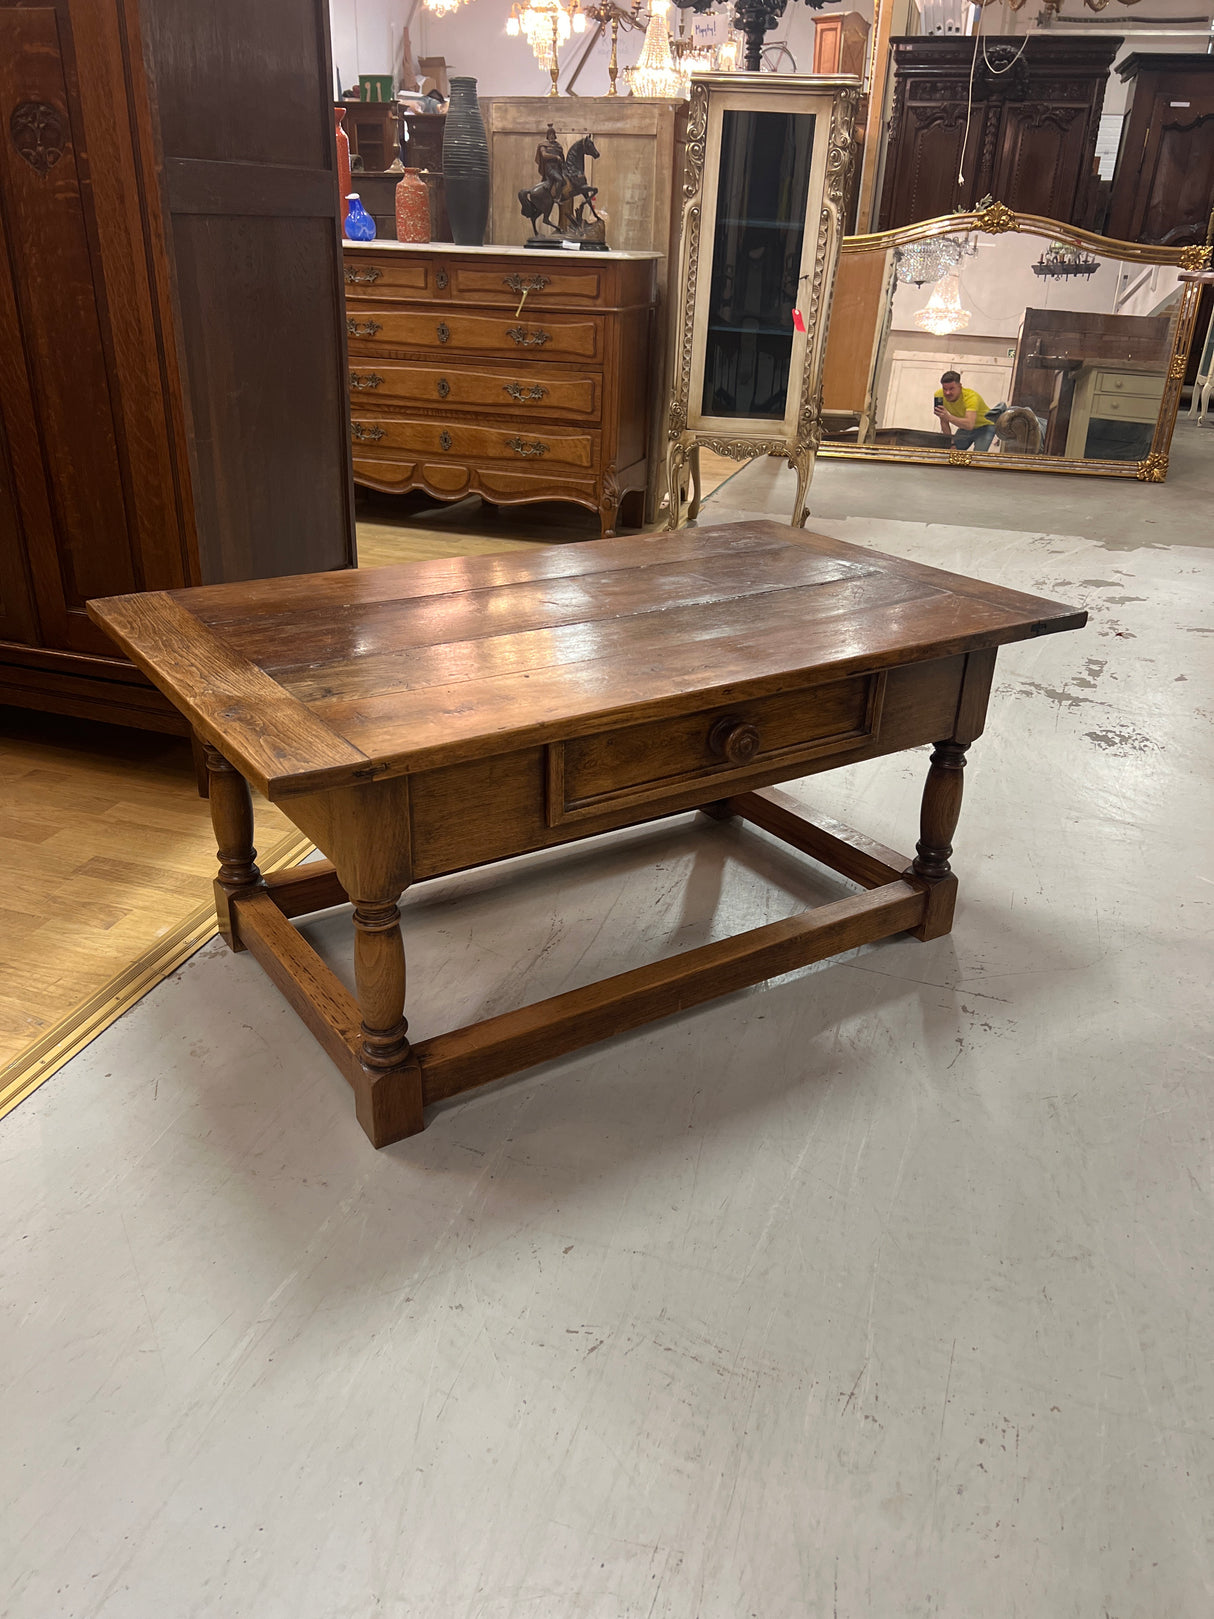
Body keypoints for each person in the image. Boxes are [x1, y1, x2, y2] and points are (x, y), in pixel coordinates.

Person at [934, 370, 995, 452]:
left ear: (960, 386)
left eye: (951, 389)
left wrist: (948, 417)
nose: (947, 393)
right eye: (945, 389)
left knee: (979, 455)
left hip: (985, 426)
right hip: (965, 426)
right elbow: (944, 421)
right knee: (951, 452)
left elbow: (969, 424)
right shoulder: (939, 395)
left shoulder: (971, 397)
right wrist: (950, 444)